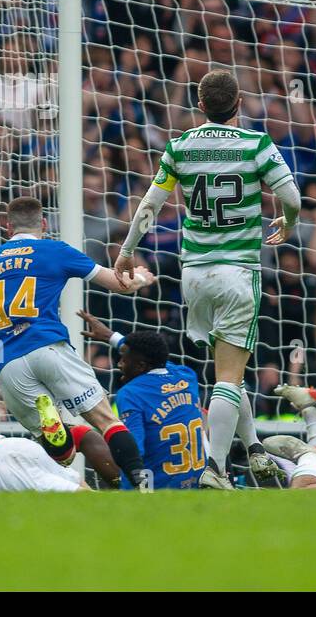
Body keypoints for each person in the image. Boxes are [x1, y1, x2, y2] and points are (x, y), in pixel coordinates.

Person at [114, 69, 302, 488]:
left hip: (194, 273)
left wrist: (126, 251)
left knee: (225, 373)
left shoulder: (180, 146)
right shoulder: (256, 144)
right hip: (237, 271)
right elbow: (291, 197)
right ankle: (214, 468)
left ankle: (252, 445)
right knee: (229, 378)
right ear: (239, 104)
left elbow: (150, 203)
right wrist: (288, 222)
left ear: (200, 106)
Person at [0, 196, 155, 489]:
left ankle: (55, 429)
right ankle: (141, 484)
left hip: (7, 365)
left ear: (8, 228)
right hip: (48, 346)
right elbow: (118, 283)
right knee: (107, 421)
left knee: (63, 453)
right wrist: (142, 279)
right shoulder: (55, 250)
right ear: (43, 224)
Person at [79, 311, 208, 490]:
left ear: (140, 365)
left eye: (124, 358)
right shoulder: (187, 376)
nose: (120, 364)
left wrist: (144, 493)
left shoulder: (131, 394)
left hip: (158, 488)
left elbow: (134, 453)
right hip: (194, 484)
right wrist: (111, 337)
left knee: (88, 437)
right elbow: (158, 359)